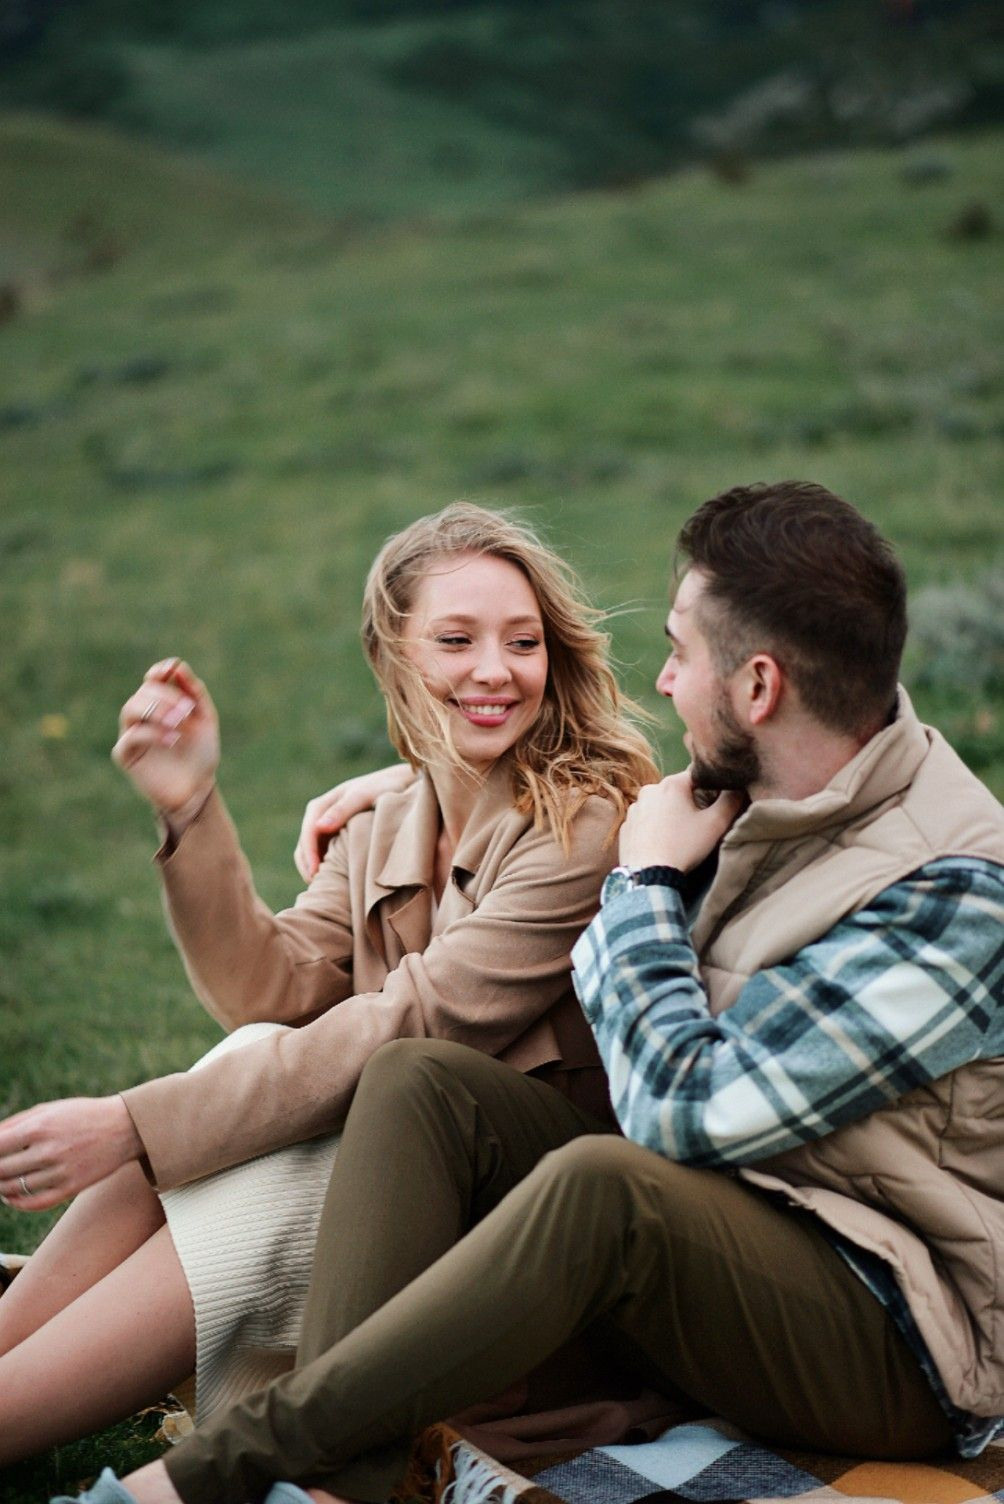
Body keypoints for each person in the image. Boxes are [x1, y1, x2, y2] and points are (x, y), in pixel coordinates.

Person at [66, 479, 1003, 1504]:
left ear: (760, 687)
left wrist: (643, 888)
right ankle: (342, 1484)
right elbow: (305, 968)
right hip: (731, 1238)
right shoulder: (760, 788)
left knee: (602, 1185)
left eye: (681, 654)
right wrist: (412, 781)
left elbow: (679, 1117)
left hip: (898, 1336)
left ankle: (202, 1477)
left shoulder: (953, 894)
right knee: (422, 1079)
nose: (661, 677)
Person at [0, 502, 658, 1465]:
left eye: (523, 642)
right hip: (410, 1193)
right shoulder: (388, 818)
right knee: (256, 1057)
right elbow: (271, 992)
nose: (495, 670)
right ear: (394, 657)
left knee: (288, 1167)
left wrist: (131, 1124)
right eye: (456, 640)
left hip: (527, 1248)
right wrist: (193, 810)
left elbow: (416, 1025)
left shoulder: (582, 827)